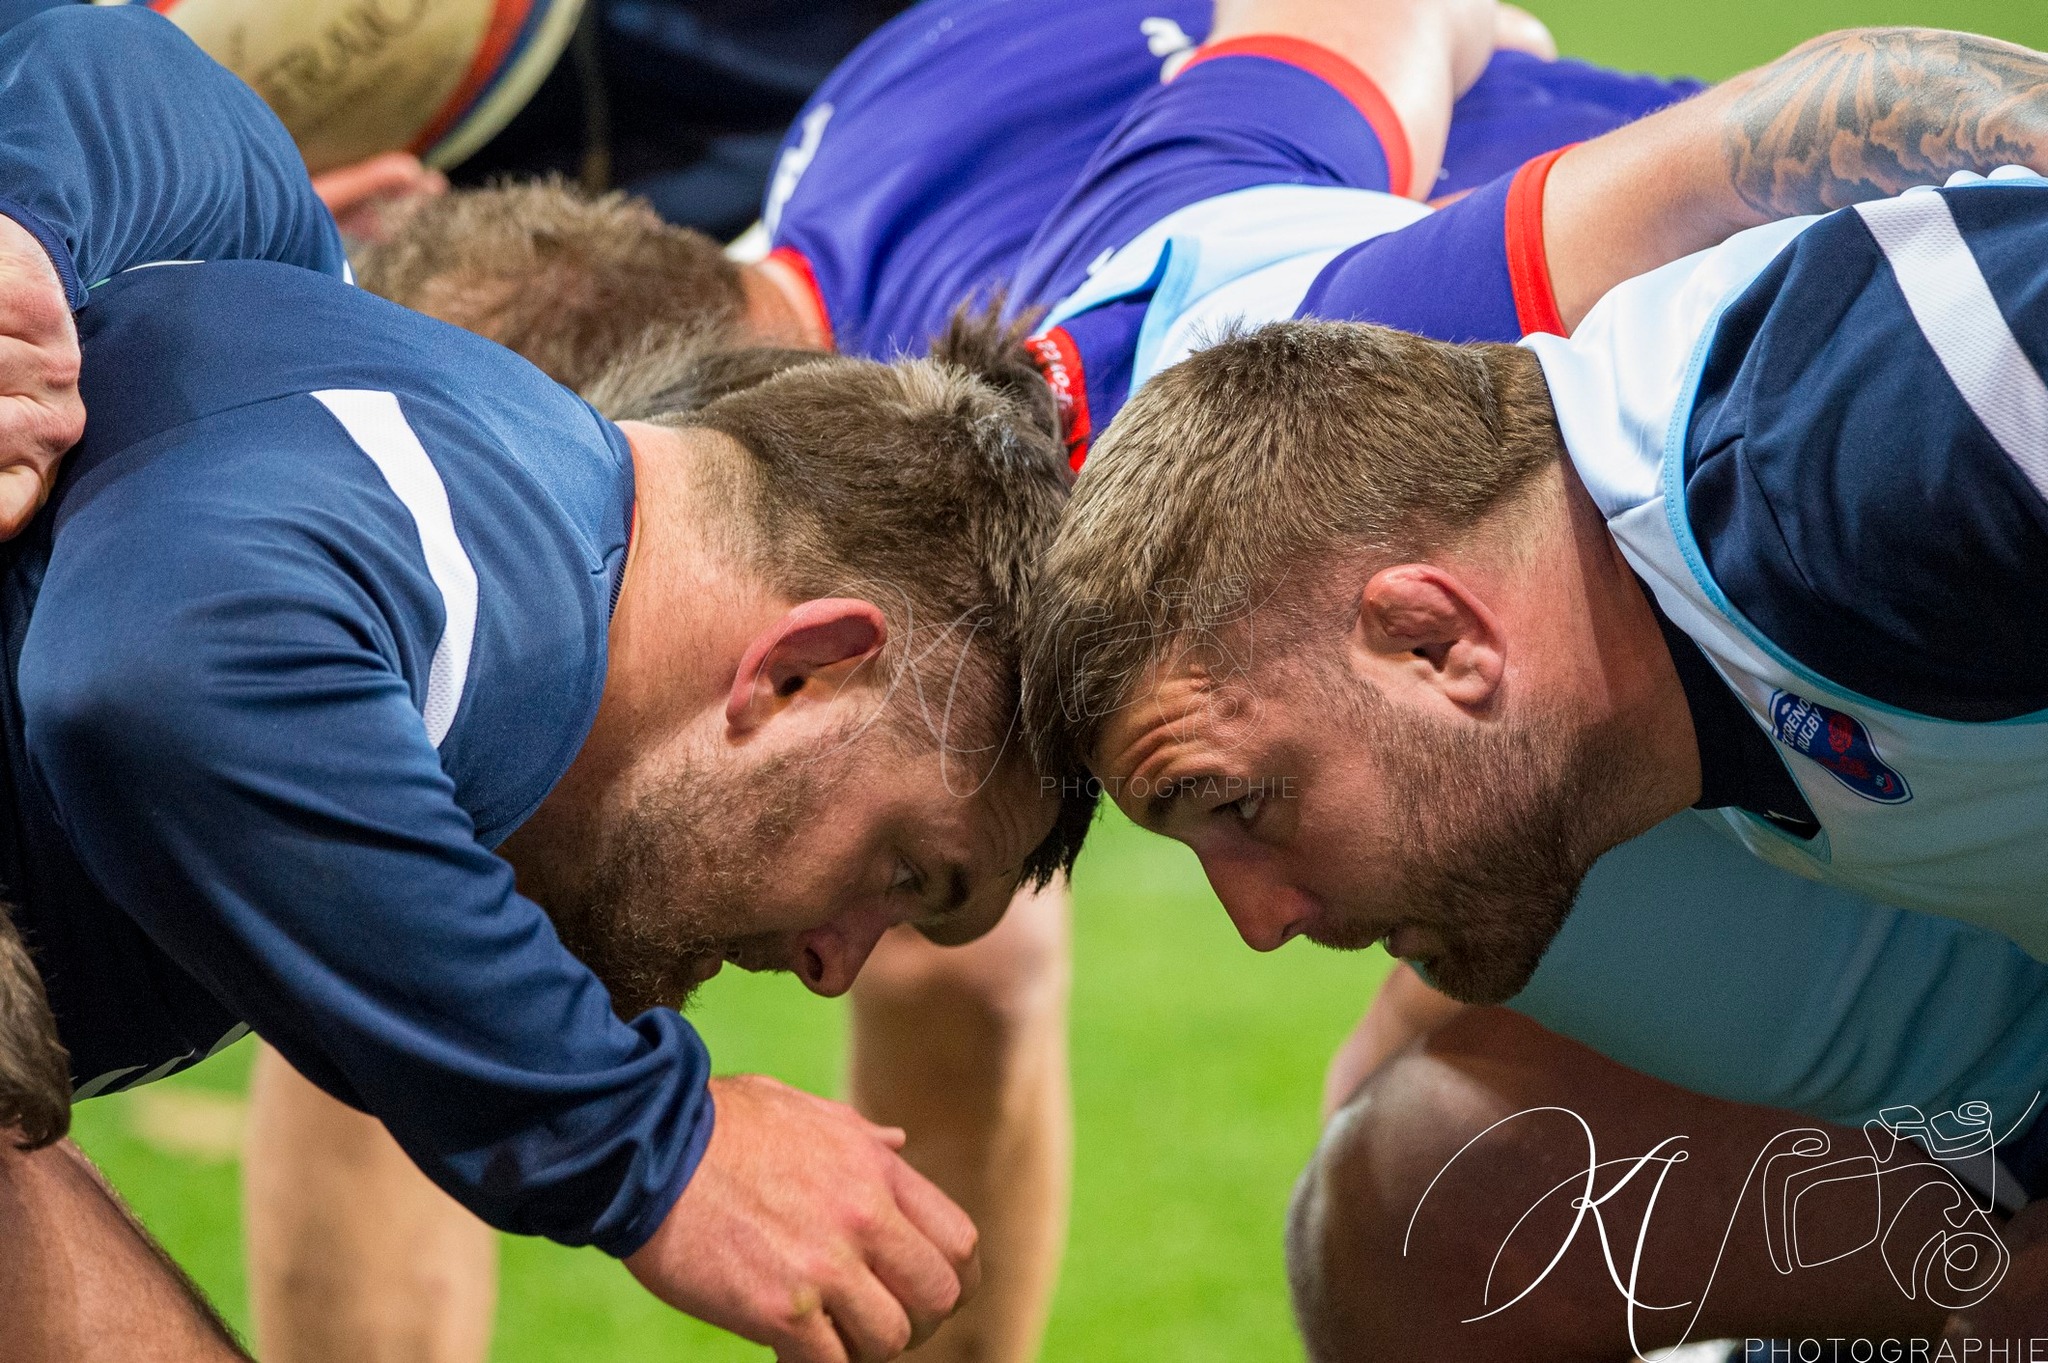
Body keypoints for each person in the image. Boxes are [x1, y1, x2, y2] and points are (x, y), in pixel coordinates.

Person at [0, 9, 1087, 1363]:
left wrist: (27, 234)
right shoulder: (499, 596)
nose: (830, 964)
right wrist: (648, 1141)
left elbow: (118, 68)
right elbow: (155, 674)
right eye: (907, 870)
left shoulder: (415, 412)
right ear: (801, 669)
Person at [1024, 80, 2048, 1356]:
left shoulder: (1873, 443)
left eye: (1241, 806)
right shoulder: (1640, 616)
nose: (1258, 921)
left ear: (1431, 638)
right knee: (1421, 1218)